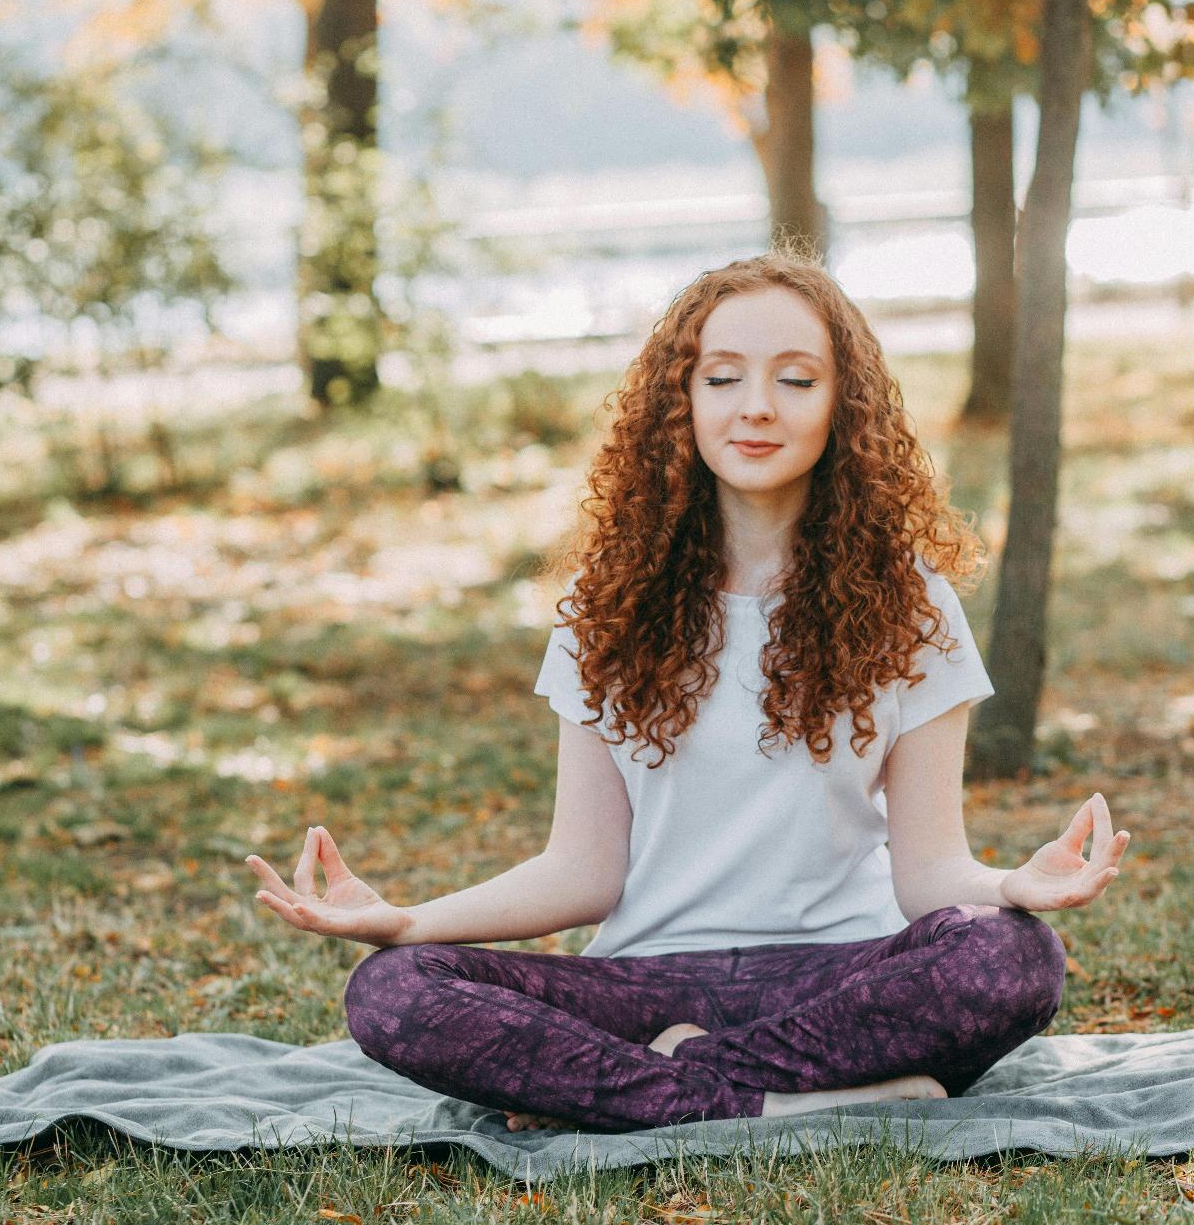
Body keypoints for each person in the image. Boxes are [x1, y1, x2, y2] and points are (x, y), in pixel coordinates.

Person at [244, 246, 1132, 1135]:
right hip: (644, 981)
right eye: (722, 378)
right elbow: (581, 871)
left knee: (1012, 957)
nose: (756, 407)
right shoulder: (608, 606)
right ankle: (801, 1101)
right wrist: (405, 922)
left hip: (843, 980)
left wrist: (1012, 884)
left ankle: (664, 1087)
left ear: (842, 407)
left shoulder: (910, 602)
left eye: (795, 380)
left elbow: (931, 872)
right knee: (394, 991)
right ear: (682, 401)